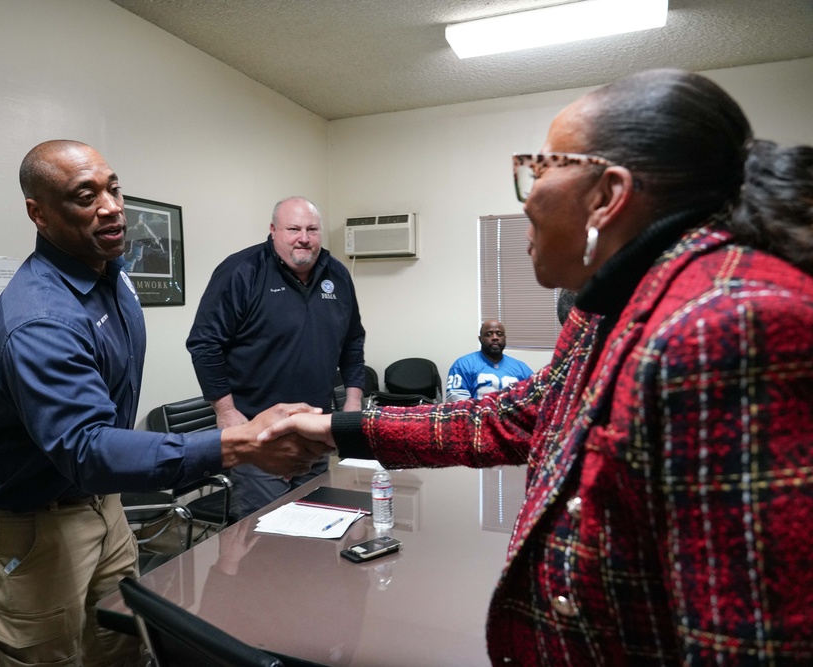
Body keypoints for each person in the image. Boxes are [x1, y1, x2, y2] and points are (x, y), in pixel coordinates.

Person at [260, 69, 813, 665]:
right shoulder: (610, 308)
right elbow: (516, 415)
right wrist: (337, 428)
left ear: (608, 195)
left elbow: (747, 643)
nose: (526, 204)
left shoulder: (730, 323)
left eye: (539, 173)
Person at [0, 140, 327, 667]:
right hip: (31, 520)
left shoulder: (111, 271)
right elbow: (86, 447)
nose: (110, 206)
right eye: (85, 196)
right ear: (38, 213)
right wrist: (238, 442)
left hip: (101, 503)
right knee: (47, 658)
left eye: (113, 188)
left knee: (125, 641)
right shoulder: (40, 320)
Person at [186, 196, 366, 520]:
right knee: (266, 537)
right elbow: (204, 344)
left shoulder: (337, 274)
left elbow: (353, 341)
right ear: (273, 230)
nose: (304, 238)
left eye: (312, 229)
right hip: (259, 434)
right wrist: (226, 414)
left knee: (317, 524)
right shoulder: (241, 271)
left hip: (316, 432)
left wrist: (353, 402)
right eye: (293, 229)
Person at [445, 319, 533, 400]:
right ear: (480, 339)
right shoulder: (463, 365)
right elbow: (458, 407)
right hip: (477, 416)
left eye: (499, 334)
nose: (495, 337)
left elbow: (535, 402)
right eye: (489, 334)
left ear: (505, 338)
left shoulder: (522, 369)